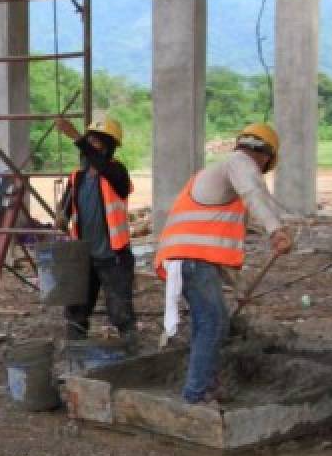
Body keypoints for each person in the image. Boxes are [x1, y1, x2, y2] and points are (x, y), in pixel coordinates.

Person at [154, 123, 294, 405]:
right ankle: (196, 394)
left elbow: (216, 249)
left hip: (187, 260)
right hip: (191, 261)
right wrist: (275, 230)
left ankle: (202, 386)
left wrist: (239, 287)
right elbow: (254, 193)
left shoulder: (221, 175)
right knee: (213, 324)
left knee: (206, 324)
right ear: (265, 157)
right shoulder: (239, 163)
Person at [54, 116, 139, 351]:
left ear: (108, 147)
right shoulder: (77, 177)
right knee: (76, 308)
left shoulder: (116, 172)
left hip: (113, 255)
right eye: (89, 140)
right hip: (83, 255)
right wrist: (61, 216)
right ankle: (76, 352)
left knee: (120, 308)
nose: (90, 146)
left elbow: (101, 164)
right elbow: (66, 210)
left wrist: (75, 136)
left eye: (96, 142)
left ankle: (129, 351)